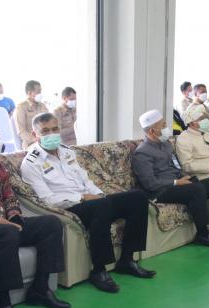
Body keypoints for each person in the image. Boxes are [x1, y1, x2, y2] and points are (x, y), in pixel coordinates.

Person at [21, 113, 155, 295]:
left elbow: (85, 180)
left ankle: (127, 259)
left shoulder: (66, 151)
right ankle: (99, 270)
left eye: (54, 129)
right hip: (69, 206)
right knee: (101, 207)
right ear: (34, 134)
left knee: (137, 198)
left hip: (91, 201)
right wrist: (83, 197)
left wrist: (99, 195)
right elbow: (47, 200)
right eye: (45, 131)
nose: (51, 134)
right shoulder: (31, 163)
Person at [0, 119, 70, 308]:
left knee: (51, 223)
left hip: (2, 225)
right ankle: (3, 304)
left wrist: (14, 217)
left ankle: (41, 288)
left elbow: (8, 195)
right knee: (7, 233)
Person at [133, 109, 209, 248]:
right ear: (151, 131)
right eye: (163, 125)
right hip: (159, 191)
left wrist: (182, 176)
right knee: (196, 189)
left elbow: (174, 166)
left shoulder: (166, 144)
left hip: (176, 184)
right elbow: (150, 183)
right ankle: (203, 234)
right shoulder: (142, 153)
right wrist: (176, 182)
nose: (166, 128)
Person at [14, 80, 49, 150]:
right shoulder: (21, 107)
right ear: (29, 93)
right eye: (38, 92)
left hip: (46, 140)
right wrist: (37, 139)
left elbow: (49, 123)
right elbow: (22, 132)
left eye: (40, 92)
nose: (40, 94)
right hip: (31, 143)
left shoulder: (43, 106)